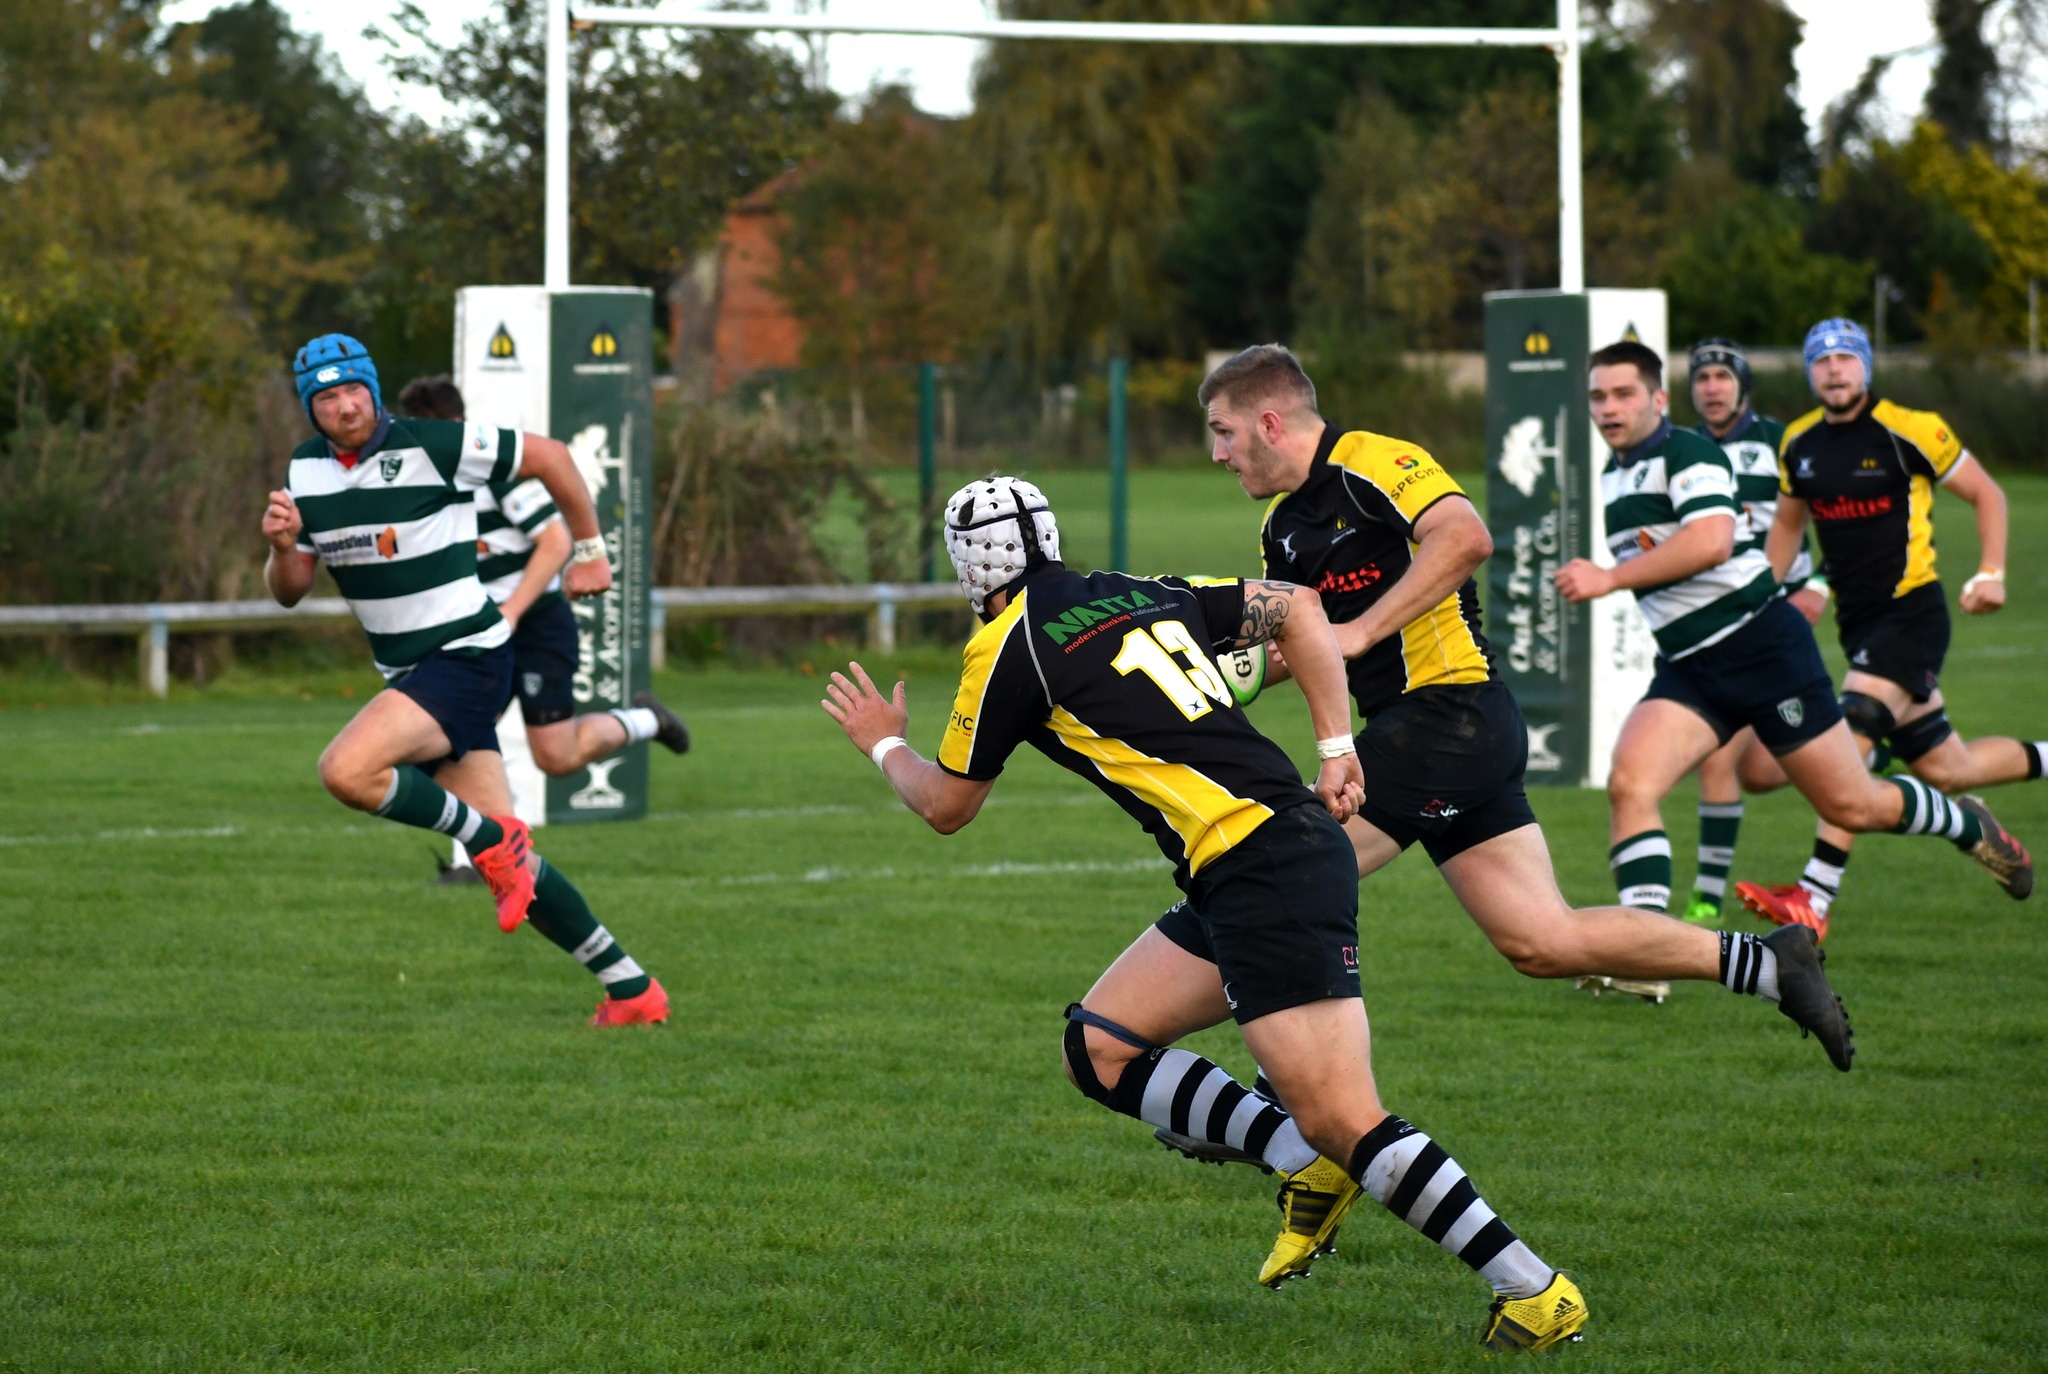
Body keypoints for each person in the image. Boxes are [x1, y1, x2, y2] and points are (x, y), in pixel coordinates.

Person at [822, 476, 1588, 1352]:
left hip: (1263, 864)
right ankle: (1298, 1158)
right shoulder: (1138, 591)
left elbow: (947, 805)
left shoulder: (1004, 646)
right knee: (1098, 1046)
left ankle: (1533, 1289)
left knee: (1345, 1115)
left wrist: (882, 740)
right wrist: (1336, 746)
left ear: (969, 560)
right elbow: (1300, 609)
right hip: (1259, 857)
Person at [1196, 344, 1850, 1020]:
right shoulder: (1282, 529)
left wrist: (1362, 632)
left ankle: (1268, 1095)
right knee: (1542, 940)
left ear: (1270, 423)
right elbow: (1306, 642)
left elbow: (1466, 537)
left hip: (1447, 717)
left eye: (1224, 432)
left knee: (1284, 868)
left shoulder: (1372, 461)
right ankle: (1772, 964)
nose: (1218, 454)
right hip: (1437, 738)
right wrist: (1210, 679)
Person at [1553, 340, 2030, 960]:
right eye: (1598, 396)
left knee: (1853, 804)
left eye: (1623, 394)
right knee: (1630, 783)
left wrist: (1610, 577)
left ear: (1658, 400)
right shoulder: (1615, 471)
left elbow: (1713, 541)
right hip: (1690, 666)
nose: (1609, 407)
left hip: (1761, 649)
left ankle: (1966, 824)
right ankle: (1645, 954)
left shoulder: (1688, 452)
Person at [262, 335, 668, 1027]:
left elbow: (553, 457)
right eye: (326, 397)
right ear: (311, 409)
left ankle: (485, 839)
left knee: (346, 770)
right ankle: (631, 989)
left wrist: (592, 550)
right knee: (513, 869)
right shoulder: (307, 472)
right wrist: (280, 548)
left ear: (373, 388)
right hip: (413, 672)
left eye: (353, 389)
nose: (345, 406)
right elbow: (290, 590)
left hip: (466, 658)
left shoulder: (433, 445)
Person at [1734, 319, 2045, 937]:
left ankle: (1814, 898)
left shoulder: (1912, 428)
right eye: (1821, 362)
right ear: (1809, 373)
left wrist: (1991, 571)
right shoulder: (1798, 442)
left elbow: (1988, 495)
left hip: (1913, 614)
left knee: (1854, 736)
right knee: (1950, 770)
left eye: (1846, 358)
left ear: (1866, 367)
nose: (1834, 370)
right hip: (1859, 627)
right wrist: (1760, 600)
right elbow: (1789, 529)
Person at [393, 376, 691, 884]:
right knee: (456, 740)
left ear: (456, 427)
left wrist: (511, 611)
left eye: (432, 434)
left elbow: (555, 543)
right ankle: (474, 862)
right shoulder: (424, 485)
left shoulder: (497, 474)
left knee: (556, 755)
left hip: (534, 626)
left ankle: (645, 719)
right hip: (478, 633)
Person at [1676, 340, 1830, 924]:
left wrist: (1819, 584)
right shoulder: (1682, 449)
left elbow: (1838, 520)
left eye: (1722, 376)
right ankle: (1858, 738)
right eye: (1703, 378)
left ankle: (1706, 896)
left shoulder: (1781, 443)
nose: (1712, 387)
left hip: (1778, 616)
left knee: (1745, 764)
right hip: (1713, 622)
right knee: (1744, 766)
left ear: (1743, 385)